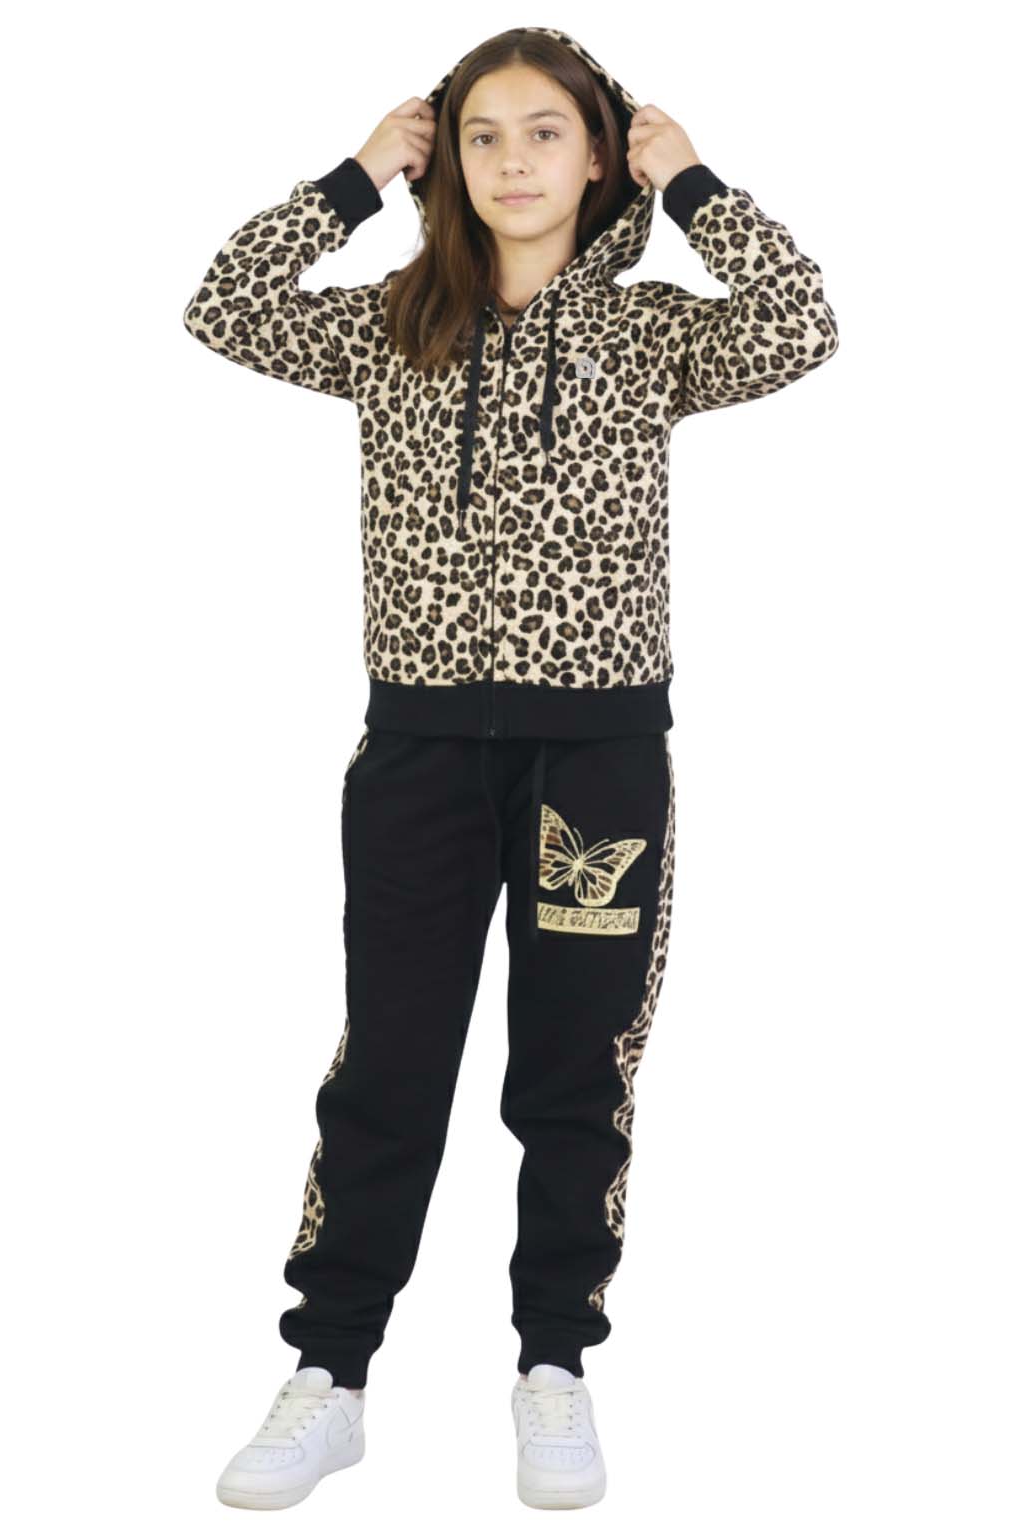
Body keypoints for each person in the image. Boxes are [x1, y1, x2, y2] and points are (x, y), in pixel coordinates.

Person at [183, 25, 838, 1513]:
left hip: (595, 761)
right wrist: (360, 174)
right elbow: (224, 303)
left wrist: (697, 183)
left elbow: (801, 324)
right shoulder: (393, 325)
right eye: (482, 134)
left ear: (599, 155)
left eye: (547, 132)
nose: (513, 161)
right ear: (448, 158)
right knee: (391, 1065)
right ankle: (331, 1375)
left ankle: (554, 1365)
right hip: (418, 751)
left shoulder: (653, 332)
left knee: (572, 1070)